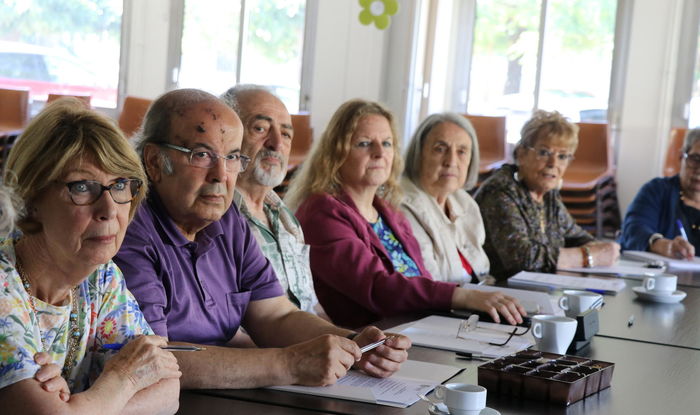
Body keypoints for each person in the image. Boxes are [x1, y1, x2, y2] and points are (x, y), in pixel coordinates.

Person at [114, 89, 410, 390]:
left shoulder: (226, 218)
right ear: (153, 161)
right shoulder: (128, 227)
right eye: (201, 155)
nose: (221, 175)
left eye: (231, 157)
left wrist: (352, 345)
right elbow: (152, 359)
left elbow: (274, 314)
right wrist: (290, 364)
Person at [0, 98, 180, 414]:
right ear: (31, 197)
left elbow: (167, 390)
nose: (109, 209)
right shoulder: (4, 283)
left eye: (121, 184)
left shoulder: (101, 276)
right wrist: (122, 379)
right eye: (82, 187)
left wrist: (79, 406)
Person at [285, 99, 526, 329]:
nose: (379, 153)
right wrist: (461, 296)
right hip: (367, 344)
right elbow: (376, 287)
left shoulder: (387, 209)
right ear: (336, 153)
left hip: (418, 328)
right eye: (365, 143)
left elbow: (419, 278)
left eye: (387, 143)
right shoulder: (322, 213)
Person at [474, 110, 620, 281]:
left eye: (562, 156)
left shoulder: (547, 196)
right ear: (521, 153)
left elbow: (578, 237)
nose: (553, 164)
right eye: (544, 152)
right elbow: (522, 259)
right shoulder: (501, 191)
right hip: (498, 293)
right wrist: (588, 256)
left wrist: (601, 249)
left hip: (536, 289)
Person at [221, 85, 323, 316]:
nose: (276, 143)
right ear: (226, 136)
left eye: (286, 134)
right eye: (260, 128)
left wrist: (351, 341)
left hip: (309, 340)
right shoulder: (216, 218)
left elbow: (312, 306)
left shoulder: (285, 217)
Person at [401, 112, 489, 284]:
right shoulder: (402, 206)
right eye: (440, 149)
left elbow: (483, 272)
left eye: (462, 152)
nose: (451, 161)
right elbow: (429, 284)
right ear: (418, 155)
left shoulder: (465, 202)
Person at [619, 129, 700, 259]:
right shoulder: (656, 190)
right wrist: (662, 245)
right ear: (681, 157)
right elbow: (633, 230)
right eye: (696, 159)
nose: (699, 170)